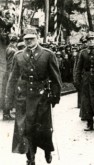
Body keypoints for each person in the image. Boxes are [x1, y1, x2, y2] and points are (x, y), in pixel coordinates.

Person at [5, 27, 62, 165]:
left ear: (37, 37)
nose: (29, 41)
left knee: (43, 129)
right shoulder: (18, 56)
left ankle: (47, 149)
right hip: (24, 98)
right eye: (26, 39)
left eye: (31, 38)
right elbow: (12, 79)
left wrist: (55, 96)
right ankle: (30, 157)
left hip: (42, 97)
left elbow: (56, 78)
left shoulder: (47, 54)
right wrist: (9, 99)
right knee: (26, 128)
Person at [1, 34, 18, 120]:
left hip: (7, 73)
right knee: (9, 93)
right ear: (15, 42)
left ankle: (6, 113)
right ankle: (6, 113)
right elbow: (11, 64)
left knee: (7, 93)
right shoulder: (13, 50)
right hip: (10, 74)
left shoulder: (8, 48)